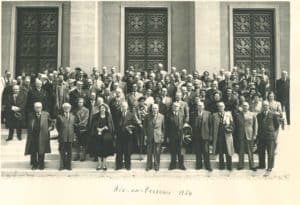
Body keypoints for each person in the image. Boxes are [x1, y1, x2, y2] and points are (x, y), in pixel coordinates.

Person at [24, 102, 54, 170]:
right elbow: (27, 123)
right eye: (36, 107)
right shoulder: (30, 115)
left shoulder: (46, 114)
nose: (38, 109)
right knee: (33, 150)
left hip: (42, 136)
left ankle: (41, 164)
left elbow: (51, 122)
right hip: (33, 136)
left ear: (42, 107)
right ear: (34, 108)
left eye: (39, 107)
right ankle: (34, 165)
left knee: (41, 150)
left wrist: (50, 128)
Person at [115, 102, 141, 170]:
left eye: (124, 106)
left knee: (127, 151)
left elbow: (135, 125)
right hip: (120, 135)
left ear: (127, 107)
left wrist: (130, 127)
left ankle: (127, 166)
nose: (123, 108)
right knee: (119, 151)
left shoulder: (131, 114)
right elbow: (115, 124)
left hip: (128, 135)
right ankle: (118, 166)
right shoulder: (118, 114)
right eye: (122, 106)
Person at [256, 101, 280, 172]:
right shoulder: (259, 115)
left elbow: (277, 125)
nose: (265, 107)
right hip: (261, 136)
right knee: (261, 151)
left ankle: (270, 167)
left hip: (270, 136)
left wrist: (274, 135)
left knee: (270, 152)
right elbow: (258, 126)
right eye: (263, 105)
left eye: (266, 105)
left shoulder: (273, 114)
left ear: (268, 106)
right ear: (262, 107)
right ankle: (262, 165)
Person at [91, 104, 115, 170]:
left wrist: (106, 128)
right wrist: (97, 128)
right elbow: (93, 125)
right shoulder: (96, 116)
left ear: (105, 109)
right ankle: (99, 165)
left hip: (106, 135)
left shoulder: (108, 116)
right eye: (101, 108)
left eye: (103, 108)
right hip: (98, 134)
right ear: (99, 109)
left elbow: (111, 126)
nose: (102, 109)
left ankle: (104, 165)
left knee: (105, 150)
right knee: (98, 149)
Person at [212, 102, 235, 170]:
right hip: (219, 135)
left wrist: (230, 129)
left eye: (222, 106)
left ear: (224, 107)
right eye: (219, 106)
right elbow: (212, 126)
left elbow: (232, 124)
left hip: (227, 135)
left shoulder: (228, 114)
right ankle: (221, 166)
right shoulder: (214, 115)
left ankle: (229, 166)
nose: (220, 108)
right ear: (217, 107)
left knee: (228, 151)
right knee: (221, 151)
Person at [235, 102, 257, 171]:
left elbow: (255, 125)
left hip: (249, 133)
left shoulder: (252, 114)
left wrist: (255, 134)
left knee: (250, 150)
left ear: (248, 106)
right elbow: (236, 126)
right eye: (243, 106)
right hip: (241, 134)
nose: (245, 107)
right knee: (241, 150)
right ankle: (240, 165)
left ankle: (252, 165)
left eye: (246, 106)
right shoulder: (238, 115)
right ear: (242, 107)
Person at [144, 104, 165, 171]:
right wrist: (145, 135)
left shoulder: (162, 116)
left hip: (158, 136)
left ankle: (156, 165)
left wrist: (162, 136)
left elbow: (163, 128)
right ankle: (149, 166)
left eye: (156, 108)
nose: (154, 110)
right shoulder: (147, 116)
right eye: (153, 108)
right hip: (150, 136)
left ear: (158, 109)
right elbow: (144, 127)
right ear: (151, 109)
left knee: (157, 152)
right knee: (149, 152)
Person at [56, 103, 77, 170]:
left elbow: (74, 127)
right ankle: (62, 166)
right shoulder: (59, 116)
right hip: (62, 137)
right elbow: (57, 127)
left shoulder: (73, 116)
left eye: (68, 107)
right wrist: (61, 133)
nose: (66, 108)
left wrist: (73, 136)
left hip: (70, 137)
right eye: (65, 107)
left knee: (69, 153)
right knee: (62, 152)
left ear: (70, 108)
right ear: (63, 108)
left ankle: (69, 166)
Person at [166, 102, 186, 170]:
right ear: (172, 107)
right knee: (173, 151)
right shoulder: (168, 115)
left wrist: (184, 135)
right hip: (172, 136)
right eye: (174, 106)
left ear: (179, 107)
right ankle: (173, 165)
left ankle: (181, 165)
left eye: (177, 106)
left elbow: (184, 126)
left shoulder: (182, 115)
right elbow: (167, 127)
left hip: (180, 136)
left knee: (181, 151)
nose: (175, 107)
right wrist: (167, 137)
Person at [193, 101, 212, 171]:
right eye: (198, 105)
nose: (200, 107)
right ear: (197, 107)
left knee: (206, 151)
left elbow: (210, 125)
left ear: (203, 106)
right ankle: (199, 165)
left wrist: (210, 135)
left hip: (205, 135)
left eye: (201, 105)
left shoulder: (208, 114)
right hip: (197, 136)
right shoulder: (194, 114)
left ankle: (208, 166)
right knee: (198, 151)